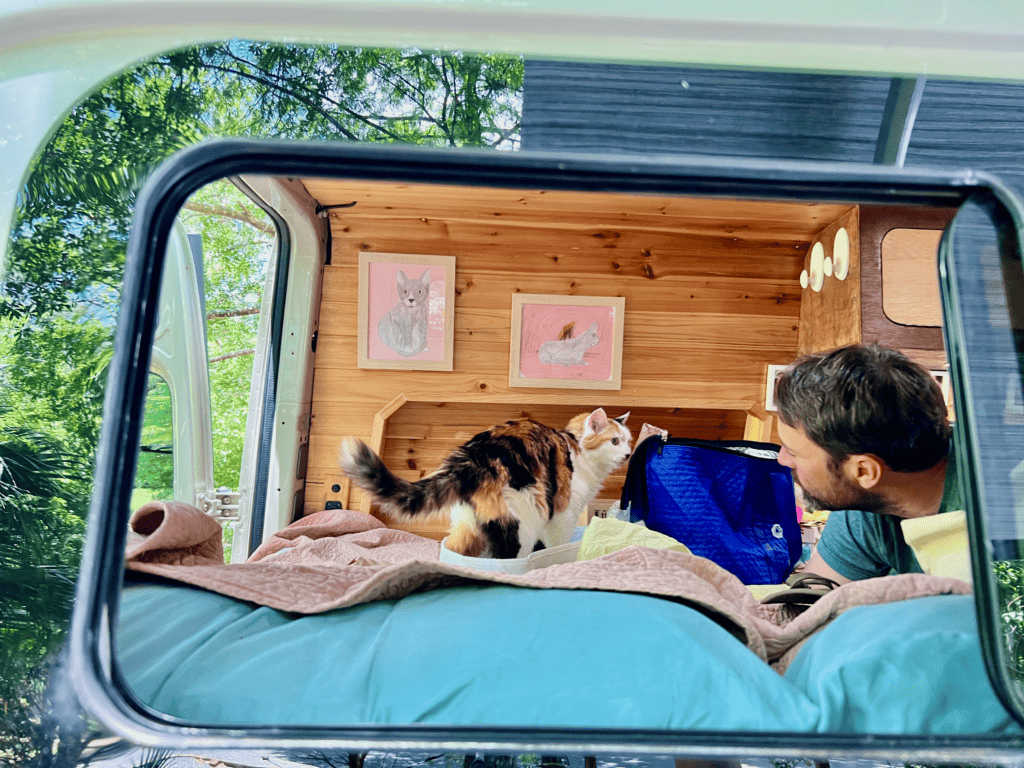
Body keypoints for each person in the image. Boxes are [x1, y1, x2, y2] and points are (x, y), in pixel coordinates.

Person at [773, 343, 961, 584]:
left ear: (863, 471)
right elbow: (812, 601)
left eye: (793, 452)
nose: (782, 460)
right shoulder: (863, 510)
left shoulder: (999, 501)